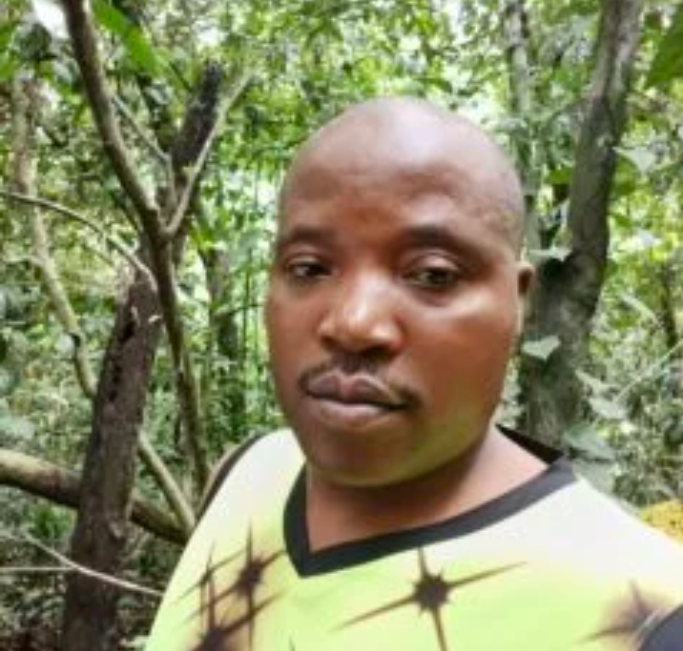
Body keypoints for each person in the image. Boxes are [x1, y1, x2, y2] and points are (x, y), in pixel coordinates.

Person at [144, 98, 683, 651]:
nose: (354, 324)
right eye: (309, 268)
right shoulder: (246, 472)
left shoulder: (646, 615)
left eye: (433, 275)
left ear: (517, 301)